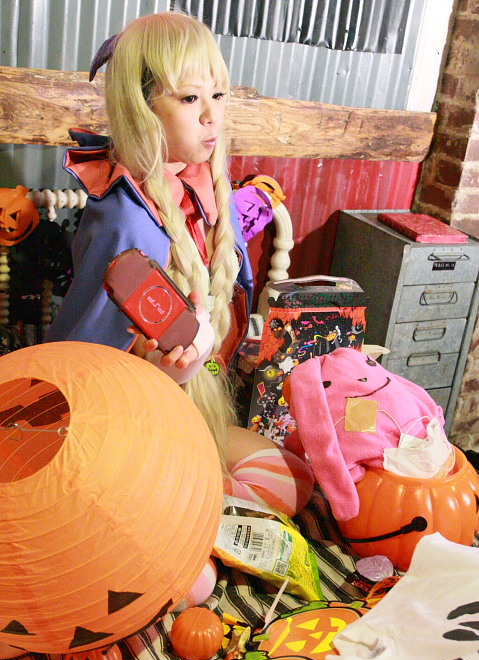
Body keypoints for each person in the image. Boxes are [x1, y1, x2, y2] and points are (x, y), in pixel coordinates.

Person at [45, 11, 314, 605]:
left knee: (295, 483)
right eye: (190, 98)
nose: (212, 115)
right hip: (131, 428)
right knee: (193, 585)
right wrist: (164, 375)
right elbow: (87, 358)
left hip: (195, 410)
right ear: (142, 108)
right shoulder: (124, 219)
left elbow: (227, 272)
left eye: (219, 94)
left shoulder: (202, 185)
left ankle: (197, 506)